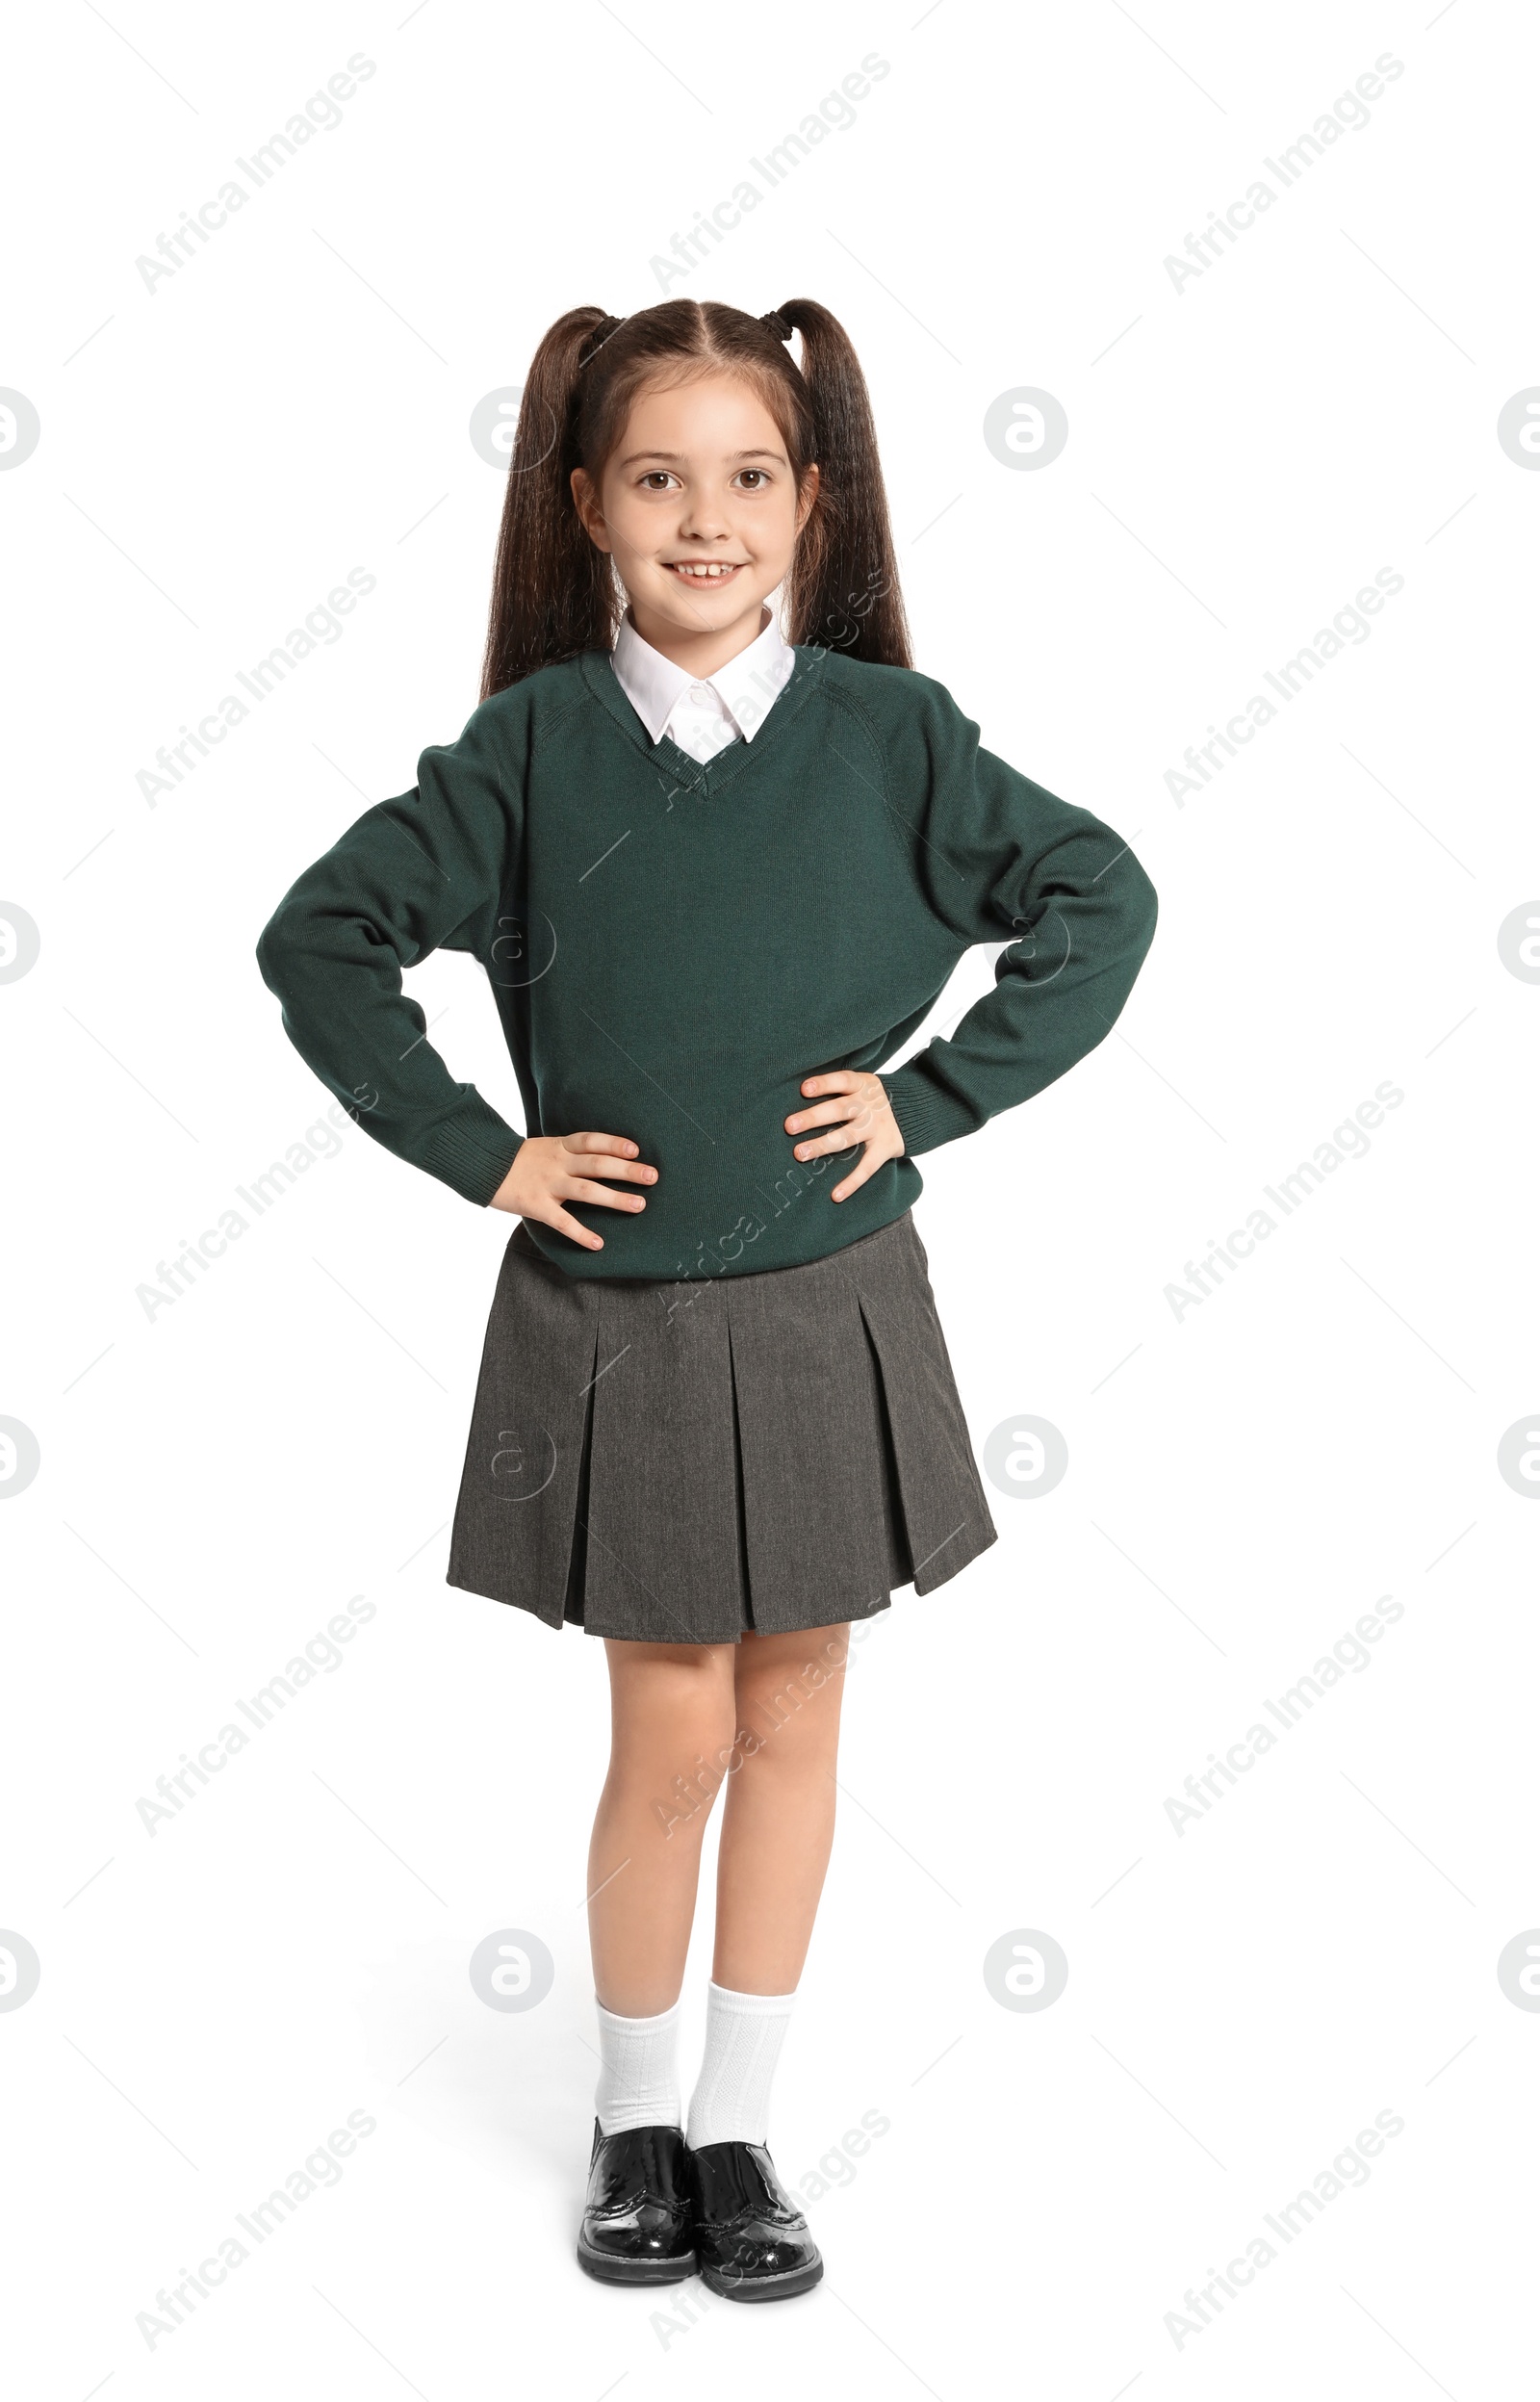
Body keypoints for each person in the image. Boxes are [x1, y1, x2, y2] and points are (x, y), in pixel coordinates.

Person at [255, 296, 1158, 2302]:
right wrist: (482, 1149)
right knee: (668, 1731)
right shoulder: (528, 755)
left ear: (813, 504)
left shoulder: (893, 739)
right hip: (623, 1324)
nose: (703, 517)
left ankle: (744, 2130)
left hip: (829, 1303)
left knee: (800, 1710)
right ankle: (632, 2116)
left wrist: (928, 1101)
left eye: (748, 476)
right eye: (655, 476)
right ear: (583, 504)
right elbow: (318, 938)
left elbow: (1102, 899)